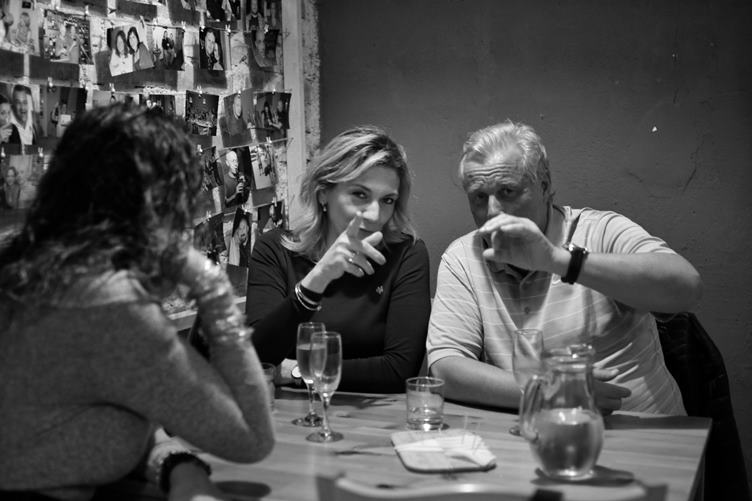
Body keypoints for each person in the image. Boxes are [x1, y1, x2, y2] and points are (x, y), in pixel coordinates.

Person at [0, 103, 275, 499]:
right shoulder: (112, 304)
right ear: (157, 204)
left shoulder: (30, 267)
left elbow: (105, 418)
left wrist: (177, 465)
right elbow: (251, 437)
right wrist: (212, 287)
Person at [426, 120, 703, 415]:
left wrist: (557, 260)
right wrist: (553, 390)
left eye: (507, 191)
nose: (492, 211)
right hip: (538, 430)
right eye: (479, 197)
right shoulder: (463, 256)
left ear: (544, 186)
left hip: (640, 428)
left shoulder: (601, 231)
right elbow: (445, 369)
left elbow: (686, 288)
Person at [246, 126, 431, 393]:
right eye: (360, 194)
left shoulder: (406, 254)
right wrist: (319, 277)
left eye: (387, 200)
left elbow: (398, 370)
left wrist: (298, 371)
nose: (375, 215)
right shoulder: (274, 249)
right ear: (323, 192)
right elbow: (257, 360)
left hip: (375, 414)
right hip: (287, 412)